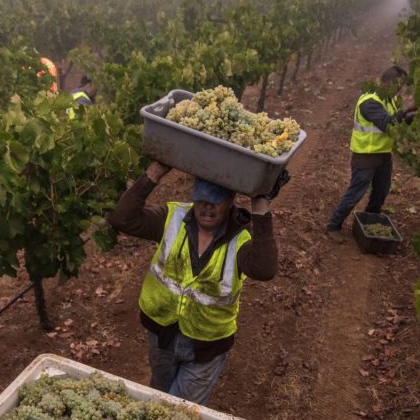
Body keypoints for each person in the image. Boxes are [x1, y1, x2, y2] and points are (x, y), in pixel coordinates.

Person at [107, 162, 289, 405]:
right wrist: (155, 171)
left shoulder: (241, 239)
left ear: (231, 200)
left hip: (206, 346)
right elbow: (122, 218)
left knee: (180, 412)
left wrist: (261, 205)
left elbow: (265, 269)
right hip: (162, 333)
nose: (207, 208)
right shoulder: (172, 218)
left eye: (216, 201)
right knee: (158, 396)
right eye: (202, 200)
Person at [325, 65, 417, 243]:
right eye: (398, 86)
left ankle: (369, 220)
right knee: (356, 192)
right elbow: (385, 123)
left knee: (381, 190)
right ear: (388, 83)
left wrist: (411, 118)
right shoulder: (370, 101)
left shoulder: (390, 100)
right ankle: (333, 225)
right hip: (365, 154)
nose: (400, 90)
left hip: (383, 154)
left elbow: (396, 122)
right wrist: (407, 109)